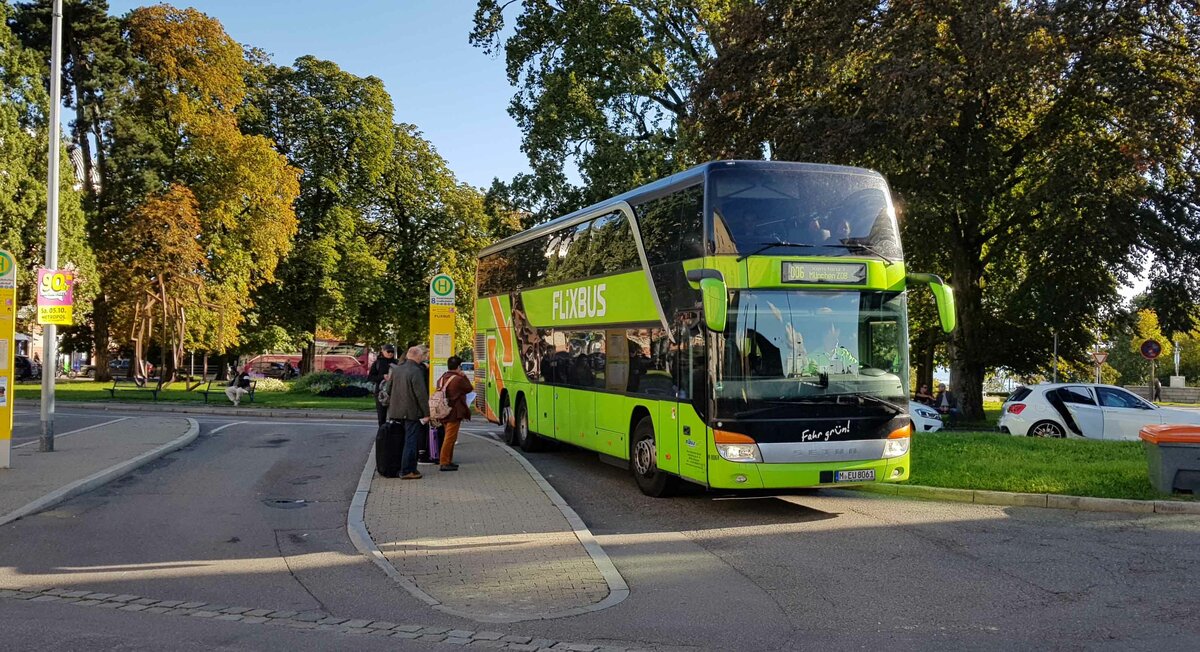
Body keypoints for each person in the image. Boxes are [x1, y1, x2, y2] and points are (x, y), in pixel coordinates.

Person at [386, 345, 431, 480]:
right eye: (423, 355)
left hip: (396, 410)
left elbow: (388, 389)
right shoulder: (416, 371)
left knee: (401, 439)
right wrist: (426, 413)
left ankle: (402, 467)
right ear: (417, 355)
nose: (424, 358)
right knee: (411, 441)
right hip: (411, 411)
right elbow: (421, 395)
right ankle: (407, 470)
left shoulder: (397, 369)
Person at [436, 356, 474, 472]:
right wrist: (464, 376)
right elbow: (469, 388)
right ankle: (444, 462)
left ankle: (448, 460)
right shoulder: (458, 379)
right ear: (458, 367)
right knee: (450, 438)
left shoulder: (442, 378)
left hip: (443, 411)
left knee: (449, 437)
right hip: (454, 412)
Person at [368, 344, 398, 426]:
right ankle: (382, 434)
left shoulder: (396, 362)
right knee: (382, 416)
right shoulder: (377, 363)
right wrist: (382, 377)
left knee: (395, 416)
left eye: (392, 351)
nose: (390, 353)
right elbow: (370, 377)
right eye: (388, 351)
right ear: (383, 352)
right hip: (381, 392)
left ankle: (394, 433)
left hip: (394, 392)